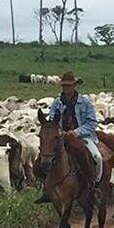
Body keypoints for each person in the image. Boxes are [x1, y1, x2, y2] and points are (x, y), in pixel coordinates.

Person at [35, 71, 102, 204]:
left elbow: (92, 122)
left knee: (97, 157)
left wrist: (76, 132)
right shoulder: (57, 103)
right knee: (42, 159)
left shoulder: (85, 103)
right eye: (64, 86)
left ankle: (92, 186)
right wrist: (58, 132)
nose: (66, 88)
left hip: (82, 137)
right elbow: (52, 121)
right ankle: (47, 189)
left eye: (69, 85)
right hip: (60, 137)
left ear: (74, 86)